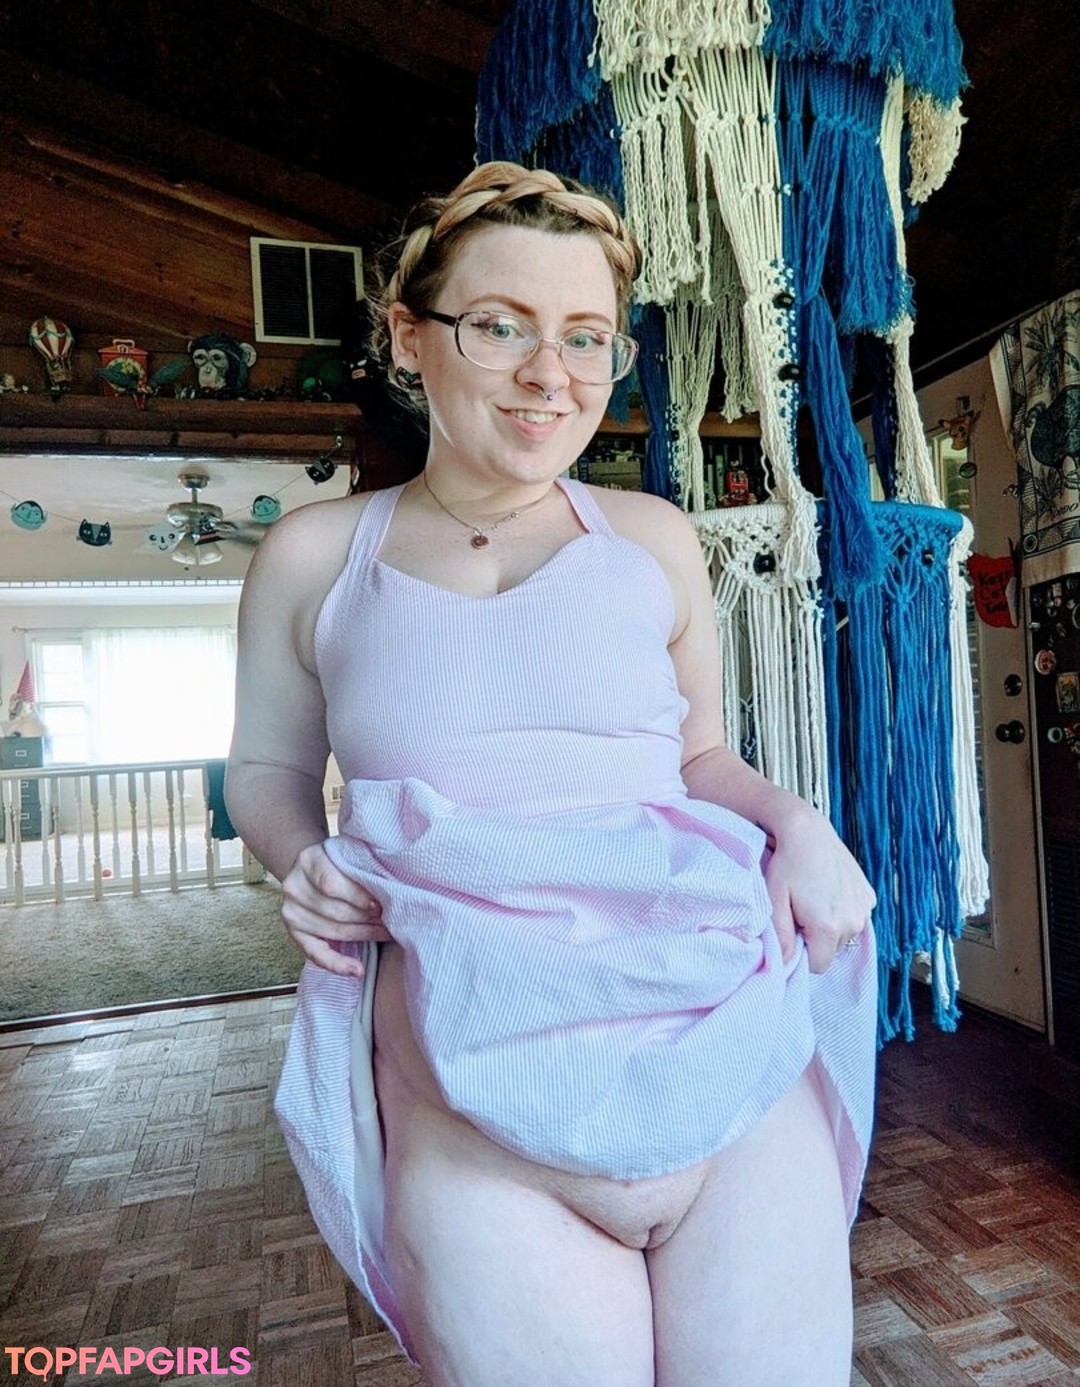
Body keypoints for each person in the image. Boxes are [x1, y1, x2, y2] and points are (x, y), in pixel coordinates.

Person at [226, 160, 878, 1387]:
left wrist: (800, 825)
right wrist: (299, 854)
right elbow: (265, 764)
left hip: (721, 1047)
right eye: (500, 326)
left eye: (585, 337)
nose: (551, 373)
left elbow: (699, 755)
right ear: (408, 338)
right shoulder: (315, 555)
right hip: (475, 1097)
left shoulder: (652, 539)